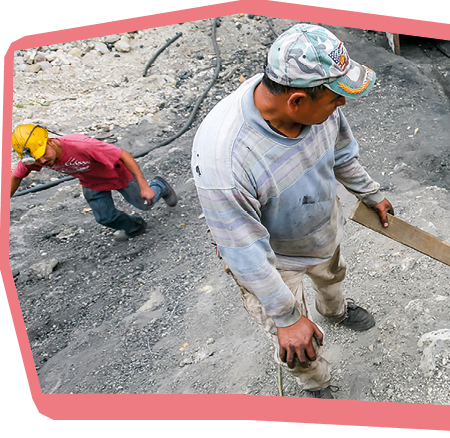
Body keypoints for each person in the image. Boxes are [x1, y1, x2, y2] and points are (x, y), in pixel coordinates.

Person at [191, 24, 394, 399]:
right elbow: (243, 250)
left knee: (332, 276)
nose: (342, 105)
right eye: (336, 99)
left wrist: (370, 194)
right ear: (297, 102)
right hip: (274, 260)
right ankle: (315, 383)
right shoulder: (227, 159)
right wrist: (286, 319)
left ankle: (335, 312)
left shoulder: (321, 104)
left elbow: (342, 153)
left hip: (319, 229)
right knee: (298, 343)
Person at [10, 124, 177, 241]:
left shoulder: (82, 146)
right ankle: (135, 227)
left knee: (145, 203)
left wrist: (144, 186)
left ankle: (160, 186)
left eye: (43, 154)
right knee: (105, 217)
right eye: (36, 159)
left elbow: (124, 155)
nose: (42, 161)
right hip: (91, 182)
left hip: (117, 174)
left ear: (51, 141)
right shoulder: (33, 158)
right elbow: (16, 176)